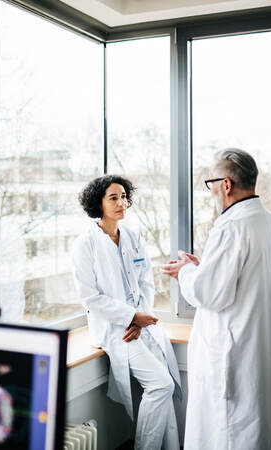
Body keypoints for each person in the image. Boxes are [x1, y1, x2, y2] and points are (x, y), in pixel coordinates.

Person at [162, 148, 271, 450]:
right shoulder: (268, 223)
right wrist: (203, 268)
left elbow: (209, 293)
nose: (212, 192)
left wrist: (186, 273)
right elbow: (241, 281)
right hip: (257, 357)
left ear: (226, 185)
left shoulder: (231, 226)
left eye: (211, 184)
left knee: (226, 436)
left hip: (231, 364)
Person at [71, 175, 182, 450]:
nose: (122, 202)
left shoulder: (133, 236)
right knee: (161, 385)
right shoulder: (84, 244)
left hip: (140, 323)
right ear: (98, 202)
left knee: (163, 388)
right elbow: (90, 297)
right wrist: (131, 317)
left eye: (124, 197)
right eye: (114, 198)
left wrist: (140, 318)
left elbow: (146, 282)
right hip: (113, 330)